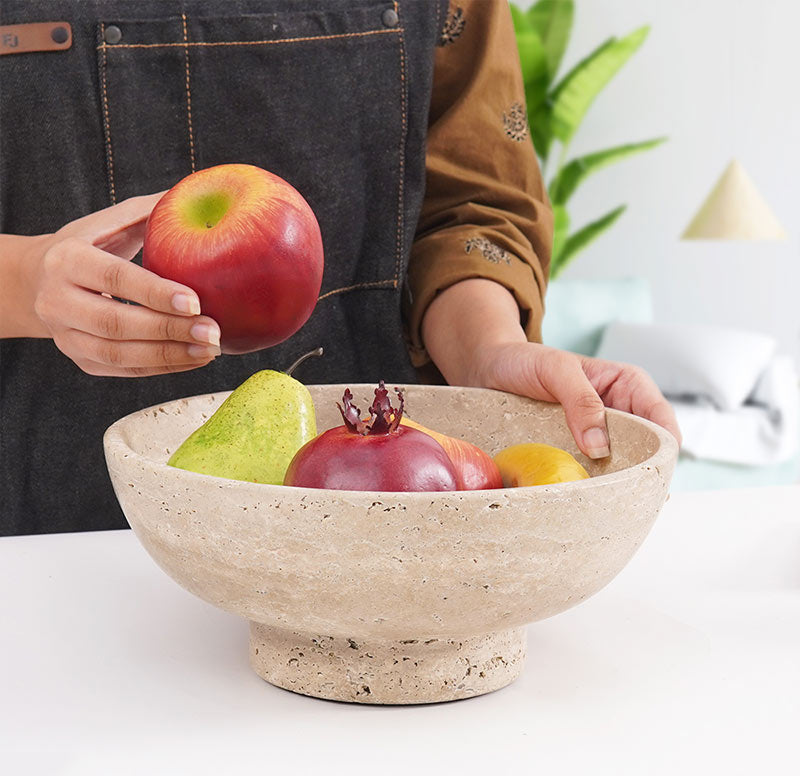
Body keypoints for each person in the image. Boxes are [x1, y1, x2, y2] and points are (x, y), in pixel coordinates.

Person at [0, 0, 679, 536]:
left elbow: (468, 206)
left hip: (389, 539)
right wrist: (26, 282)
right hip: (42, 546)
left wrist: (489, 350)